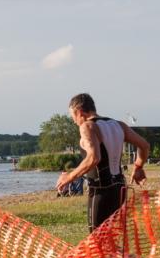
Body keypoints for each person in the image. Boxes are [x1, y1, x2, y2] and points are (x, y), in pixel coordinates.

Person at [55, 93, 150, 232]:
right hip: (119, 189)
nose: (74, 121)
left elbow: (94, 158)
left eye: (73, 116)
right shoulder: (119, 125)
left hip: (101, 190)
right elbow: (145, 146)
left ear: (79, 112)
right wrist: (138, 166)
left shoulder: (87, 126)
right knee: (114, 237)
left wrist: (69, 177)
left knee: (96, 239)